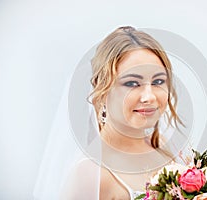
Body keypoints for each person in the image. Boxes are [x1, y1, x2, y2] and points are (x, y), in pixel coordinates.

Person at [59, 26, 184, 199]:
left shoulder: (162, 147)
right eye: (132, 83)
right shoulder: (91, 174)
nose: (149, 96)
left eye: (158, 81)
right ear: (102, 90)